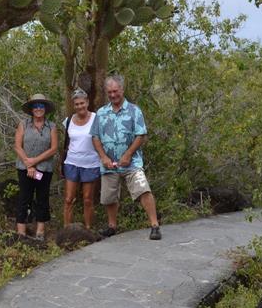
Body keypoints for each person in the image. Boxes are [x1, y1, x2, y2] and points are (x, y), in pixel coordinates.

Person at [90, 75, 161, 240]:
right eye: (109, 92)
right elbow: (95, 137)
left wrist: (128, 154)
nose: (113, 95)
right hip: (109, 163)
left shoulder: (134, 110)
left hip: (132, 162)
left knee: (143, 189)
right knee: (109, 196)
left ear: (122, 89)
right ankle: (112, 226)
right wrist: (103, 157)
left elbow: (141, 134)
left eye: (115, 91)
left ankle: (155, 225)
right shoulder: (101, 113)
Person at [14, 93, 58, 240]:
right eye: (36, 106)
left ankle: (40, 231)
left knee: (42, 198)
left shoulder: (51, 126)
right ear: (32, 109)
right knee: (24, 197)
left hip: (44, 169)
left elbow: (53, 148)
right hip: (24, 168)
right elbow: (17, 146)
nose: (39, 109)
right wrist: (28, 164)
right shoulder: (23, 124)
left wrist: (35, 161)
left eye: (41, 106)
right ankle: (21, 232)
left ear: (45, 108)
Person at [61, 88, 101, 229]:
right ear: (73, 105)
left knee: (88, 199)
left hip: (91, 163)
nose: (80, 106)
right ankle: (67, 229)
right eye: (77, 104)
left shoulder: (97, 119)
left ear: (87, 102)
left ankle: (88, 229)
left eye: (82, 103)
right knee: (68, 199)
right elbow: (67, 141)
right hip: (72, 163)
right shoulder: (69, 121)